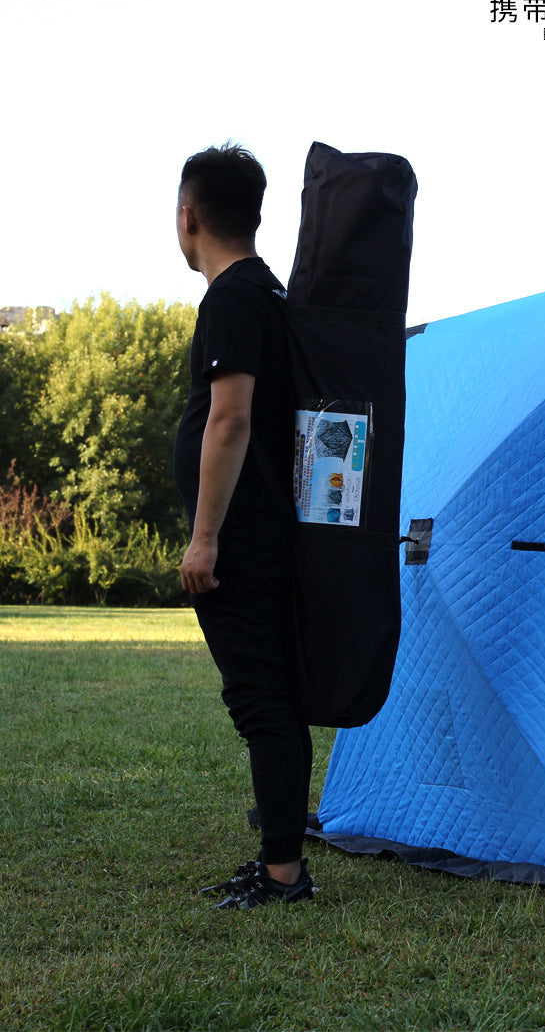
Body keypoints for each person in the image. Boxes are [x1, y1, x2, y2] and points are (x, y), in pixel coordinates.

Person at [173, 142, 314, 909]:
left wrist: (205, 536)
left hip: (242, 537)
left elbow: (229, 420)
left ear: (188, 217)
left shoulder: (232, 298)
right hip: (264, 529)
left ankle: (284, 873)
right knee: (271, 697)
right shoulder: (266, 292)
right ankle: (282, 858)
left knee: (261, 698)